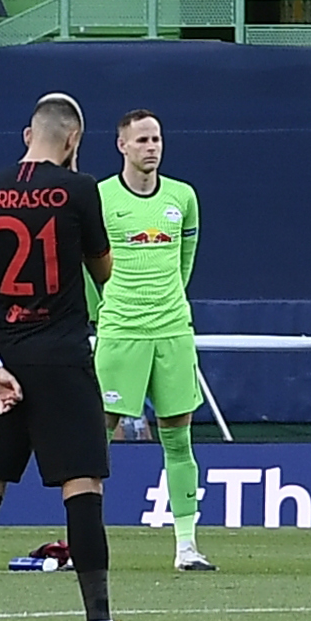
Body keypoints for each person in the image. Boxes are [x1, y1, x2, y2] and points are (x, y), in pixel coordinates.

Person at [0, 91, 156, 621]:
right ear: (74, 141)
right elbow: (103, 269)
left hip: (4, 358)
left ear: (26, 134)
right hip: (62, 356)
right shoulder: (81, 190)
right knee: (82, 485)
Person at [93, 110, 211, 575]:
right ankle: (86, 540)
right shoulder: (101, 198)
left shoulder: (183, 197)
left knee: (178, 435)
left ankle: (187, 547)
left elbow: (186, 258)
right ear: (121, 144)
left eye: (157, 138)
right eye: (142, 139)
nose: (152, 147)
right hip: (121, 329)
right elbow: (90, 264)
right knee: (96, 435)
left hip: (172, 330)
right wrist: (102, 311)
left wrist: (171, 303)